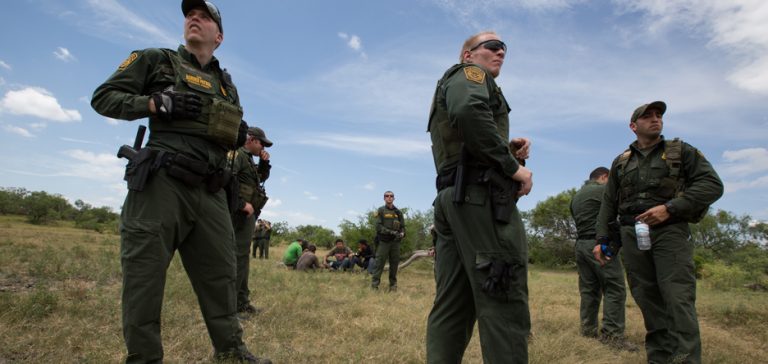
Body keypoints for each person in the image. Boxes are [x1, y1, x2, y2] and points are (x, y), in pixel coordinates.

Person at [91, 1, 269, 362]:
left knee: (222, 276)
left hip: (210, 191)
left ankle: (230, 351)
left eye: (204, 17)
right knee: (145, 278)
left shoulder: (226, 86)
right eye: (190, 14)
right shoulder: (155, 60)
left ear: (218, 36)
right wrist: (154, 103)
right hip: (163, 183)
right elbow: (103, 98)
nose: (193, 18)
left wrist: (236, 136)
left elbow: (228, 134)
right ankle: (144, 358)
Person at [425, 31, 533, 363]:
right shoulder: (469, 74)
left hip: (454, 197)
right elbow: (470, 112)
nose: (501, 51)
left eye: (505, 48)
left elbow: (464, 134)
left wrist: (507, 149)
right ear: (468, 55)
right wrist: (512, 167)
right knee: (503, 295)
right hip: (478, 199)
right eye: (492, 46)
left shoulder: (455, 82)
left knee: (453, 304)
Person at [595, 101, 723, 364]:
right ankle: (659, 358)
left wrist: (670, 208)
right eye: (648, 116)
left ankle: (685, 359)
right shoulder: (621, 162)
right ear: (634, 126)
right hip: (632, 235)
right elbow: (609, 203)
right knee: (647, 298)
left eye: (659, 115)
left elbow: (712, 185)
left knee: (677, 298)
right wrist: (603, 240)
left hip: (670, 232)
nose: (656, 119)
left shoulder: (681, 151)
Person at [570, 167, 633, 349]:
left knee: (589, 290)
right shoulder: (603, 190)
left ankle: (588, 330)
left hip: (581, 245)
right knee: (614, 288)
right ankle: (612, 336)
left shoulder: (577, 196)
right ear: (604, 177)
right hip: (599, 245)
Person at [231, 126, 272, 316]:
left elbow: (258, 178)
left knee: (242, 258)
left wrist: (264, 164)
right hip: (237, 214)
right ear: (252, 140)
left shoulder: (248, 160)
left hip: (246, 216)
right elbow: (225, 179)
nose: (264, 147)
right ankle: (232, 308)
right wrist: (240, 204)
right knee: (237, 259)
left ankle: (242, 302)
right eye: (262, 143)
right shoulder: (237, 155)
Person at [371, 191, 405, 291]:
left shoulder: (398, 212)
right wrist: (390, 232)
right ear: (384, 198)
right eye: (387, 196)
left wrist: (402, 233)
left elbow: (402, 226)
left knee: (394, 264)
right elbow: (378, 226)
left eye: (391, 196)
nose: (389, 197)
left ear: (394, 198)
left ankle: (393, 286)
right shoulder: (380, 210)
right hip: (384, 241)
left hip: (395, 242)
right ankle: (374, 286)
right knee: (379, 263)